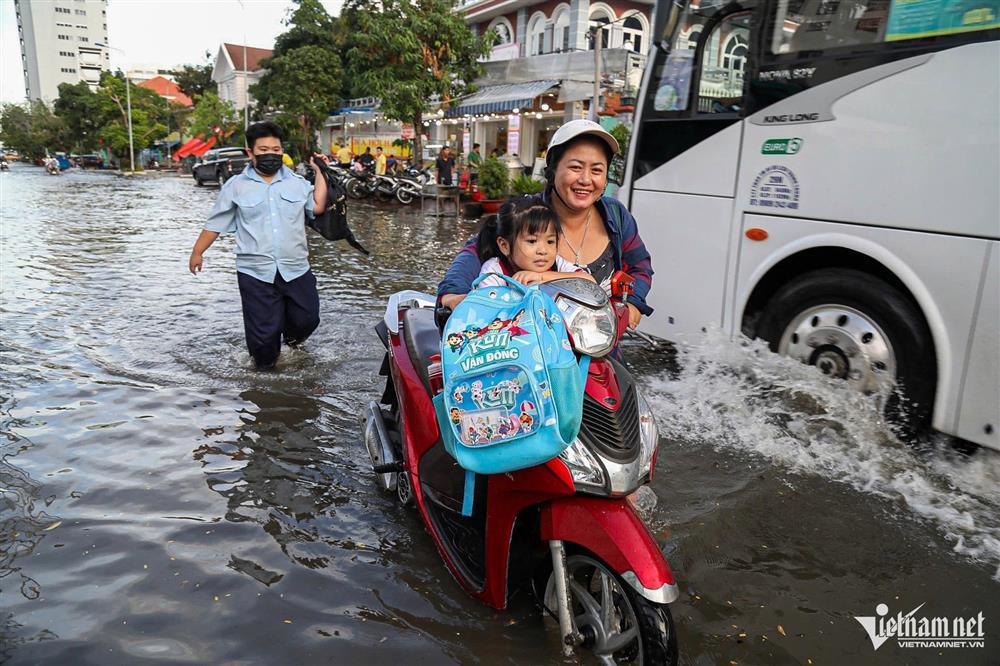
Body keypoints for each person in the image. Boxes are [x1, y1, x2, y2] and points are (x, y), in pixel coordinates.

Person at [438, 119, 653, 331]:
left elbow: (640, 266)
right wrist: (452, 295)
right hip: (533, 349)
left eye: (596, 170)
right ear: (552, 170)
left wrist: (634, 303)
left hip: (597, 348)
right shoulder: (529, 214)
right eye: (575, 167)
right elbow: (473, 255)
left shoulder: (616, 216)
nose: (586, 180)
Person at [188, 121, 328, 370]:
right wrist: (198, 252)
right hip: (255, 271)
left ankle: (290, 342)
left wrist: (320, 172)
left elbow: (316, 207)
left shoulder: (296, 182)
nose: (270, 155)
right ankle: (267, 384)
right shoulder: (235, 186)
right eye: (263, 150)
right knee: (263, 342)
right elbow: (215, 224)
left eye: (276, 149)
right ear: (250, 152)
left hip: (295, 267)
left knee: (308, 319)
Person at [476, 197, 593, 288]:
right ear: (504, 245)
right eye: (532, 241)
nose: (543, 251)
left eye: (550, 241)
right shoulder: (494, 273)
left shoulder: (557, 264)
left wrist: (542, 276)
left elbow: (590, 282)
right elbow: (484, 310)